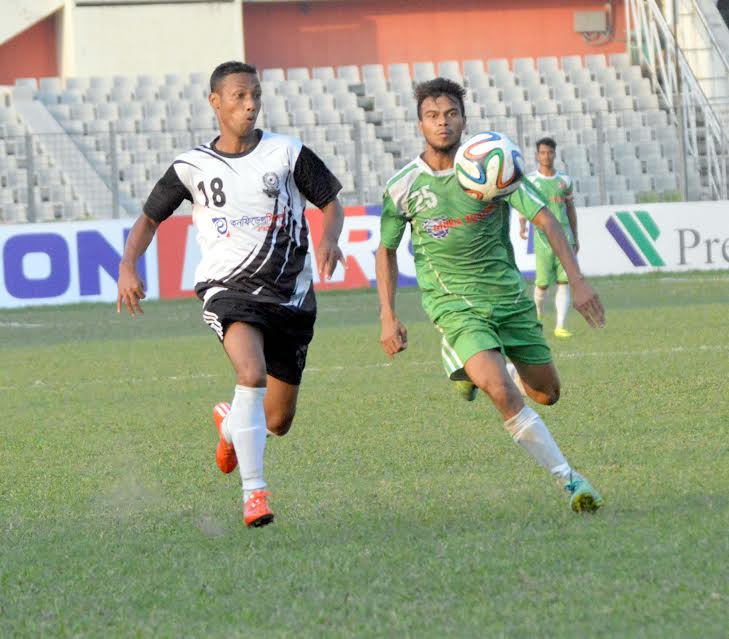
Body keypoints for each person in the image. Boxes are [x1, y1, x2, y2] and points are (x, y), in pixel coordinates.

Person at [116, 61, 345, 527]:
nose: (250, 104)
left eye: (255, 95)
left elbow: (330, 203)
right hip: (229, 289)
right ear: (215, 102)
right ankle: (254, 495)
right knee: (250, 370)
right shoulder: (192, 166)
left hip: (291, 297)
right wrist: (127, 265)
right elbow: (148, 219)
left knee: (277, 421)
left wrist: (327, 238)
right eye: (239, 96)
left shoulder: (287, 153)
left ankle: (230, 423)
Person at [375, 78, 605, 512]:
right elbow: (385, 250)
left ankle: (475, 365)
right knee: (500, 390)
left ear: (463, 119)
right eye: (432, 116)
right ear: (419, 122)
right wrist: (388, 315)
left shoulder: (497, 164)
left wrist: (576, 280)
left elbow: (548, 221)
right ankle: (571, 481)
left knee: (547, 394)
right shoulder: (404, 186)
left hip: (508, 299)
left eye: (451, 115)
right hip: (454, 305)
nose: (442, 124)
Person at [519, 137, 579, 338]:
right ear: (537, 155)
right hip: (543, 239)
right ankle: (538, 313)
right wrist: (522, 225)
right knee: (542, 284)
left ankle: (560, 326)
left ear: (555, 154)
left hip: (565, 238)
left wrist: (575, 237)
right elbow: (524, 205)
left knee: (564, 281)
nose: (546, 156)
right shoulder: (531, 181)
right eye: (542, 153)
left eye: (549, 152)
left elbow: (570, 209)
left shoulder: (565, 181)